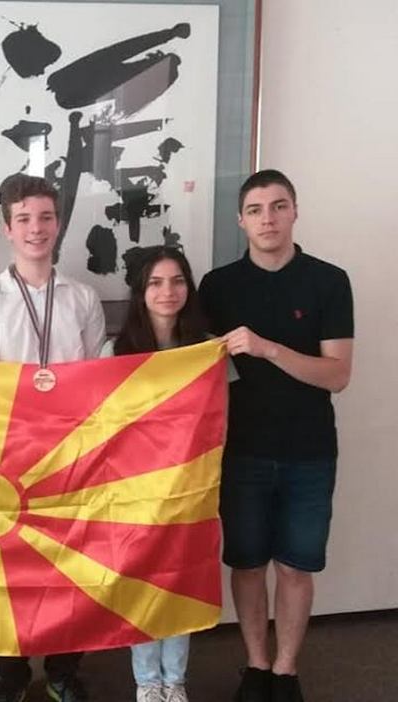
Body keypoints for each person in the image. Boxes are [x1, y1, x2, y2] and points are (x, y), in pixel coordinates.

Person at [199, 170, 354, 702]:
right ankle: (256, 665)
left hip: (309, 452)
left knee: (295, 566)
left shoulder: (329, 281)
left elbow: (338, 374)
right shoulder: (218, 286)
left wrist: (268, 349)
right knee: (246, 564)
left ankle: (286, 671)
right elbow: (196, 368)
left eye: (278, 206)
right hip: (238, 451)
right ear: (240, 220)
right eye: (256, 209)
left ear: (295, 212)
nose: (268, 219)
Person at [0, 173, 106, 702]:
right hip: (7, 456)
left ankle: (65, 669)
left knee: (70, 565)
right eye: (23, 218)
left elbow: (96, 380)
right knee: (5, 569)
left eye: (46, 217)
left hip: (70, 455)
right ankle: (12, 673)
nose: (36, 228)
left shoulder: (83, 298)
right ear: (6, 228)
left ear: (59, 223)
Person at [104, 245, 214, 702]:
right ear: (140, 291)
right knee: (142, 584)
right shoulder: (116, 350)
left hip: (188, 487)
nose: (168, 292)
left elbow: (219, 416)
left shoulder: (206, 349)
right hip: (134, 488)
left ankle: (176, 681)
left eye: (177, 281)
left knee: (180, 581)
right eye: (155, 282)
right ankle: (148, 682)